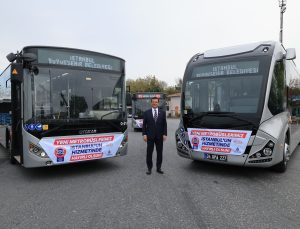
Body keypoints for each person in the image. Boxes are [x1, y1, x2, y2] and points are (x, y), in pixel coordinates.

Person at [142, 97, 167, 175]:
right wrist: (144, 134)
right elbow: (144, 125)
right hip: (150, 136)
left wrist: (165, 134)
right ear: (151, 103)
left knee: (159, 153)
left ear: (158, 103)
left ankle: (158, 168)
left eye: (156, 102)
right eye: (153, 102)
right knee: (149, 153)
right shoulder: (146, 113)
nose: (154, 103)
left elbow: (164, 124)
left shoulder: (162, 113)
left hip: (159, 137)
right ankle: (149, 168)